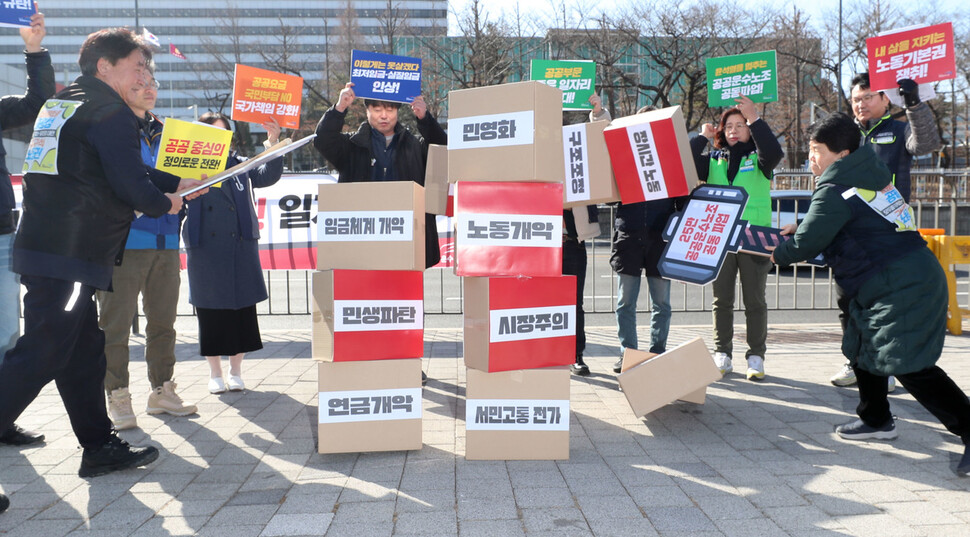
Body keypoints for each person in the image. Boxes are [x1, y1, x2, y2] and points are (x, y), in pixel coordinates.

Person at [0, 28, 205, 492]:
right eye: (137, 66)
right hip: (71, 254)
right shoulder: (110, 113)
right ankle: (97, 445)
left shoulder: (65, 103)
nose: (145, 75)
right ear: (105, 67)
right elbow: (133, 186)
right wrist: (166, 202)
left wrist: (173, 182)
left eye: (147, 68)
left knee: (83, 351)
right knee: (43, 352)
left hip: (48, 246)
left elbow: (113, 167)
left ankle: (98, 448)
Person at [769, 112, 970, 477]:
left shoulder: (834, 188)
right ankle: (876, 419)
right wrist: (802, 226)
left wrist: (776, 252)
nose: (811, 157)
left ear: (841, 153)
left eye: (817, 150)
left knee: (907, 364)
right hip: (889, 278)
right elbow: (858, 217)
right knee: (863, 346)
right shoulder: (866, 174)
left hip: (900, 283)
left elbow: (805, 245)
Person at [313, 83, 448, 383]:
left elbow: (441, 149)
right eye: (376, 108)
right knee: (367, 303)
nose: (383, 115)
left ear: (398, 111)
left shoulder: (413, 144)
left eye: (389, 108)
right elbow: (323, 140)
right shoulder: (353, 145)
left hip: (407, 241)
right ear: (368, 110)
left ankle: (407, 361)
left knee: (405, 305)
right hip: (364, 240)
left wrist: (425, 118)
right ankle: (369, 360)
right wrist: (339, 108)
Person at [96, 69, 197, 429]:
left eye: (151, 84)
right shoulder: (114, 129)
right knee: (115, 326)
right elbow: (126, 178)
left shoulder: (170, 133)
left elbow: (182, 178)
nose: (147, 90)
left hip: (167, 240)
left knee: (163, 324)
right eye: (138, 85)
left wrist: (194, 184)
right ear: (122, 89)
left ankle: (162, 390)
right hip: (125, 241)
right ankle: (118, 395)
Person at [829, 73, 941, 389]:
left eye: (867, 97)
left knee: (885, 305)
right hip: (848, 234)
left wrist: (914, 104)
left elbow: (927, 144)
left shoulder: (899, 129)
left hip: (888, 235)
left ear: (885, 99)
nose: (860, 104)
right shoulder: (846, 136)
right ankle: (855, 362)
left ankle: (886, 366)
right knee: (848, 302)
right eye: (855, 99)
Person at [183, 112, 283, 394]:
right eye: (213, 133)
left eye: (224, 133)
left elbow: (268, 175)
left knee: (242, 310)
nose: (220, 139)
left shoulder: (240, 165)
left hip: (240, 244)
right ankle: (215, 372)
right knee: (210, 312)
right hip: (205, 247)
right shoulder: (189, 166)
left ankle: (236, 370)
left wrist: (272, 143)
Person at [0, 7, 53, 513]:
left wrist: (33, 48)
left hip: (0, 235)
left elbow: (39, 103)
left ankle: (2, 418)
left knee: (7, 335)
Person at [691, 95, 783, 380]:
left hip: (754, 238)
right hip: (721, 239)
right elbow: (689, 164)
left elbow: (774, 152)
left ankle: (756, 356)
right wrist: (701, 138)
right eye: (728, 126)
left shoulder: (760, 159)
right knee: (722, 300)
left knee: (755, 299)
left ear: (748, 129)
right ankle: (723, 353)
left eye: (740, 125)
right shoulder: (715, 160)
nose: (733, 130)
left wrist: (754, 117)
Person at [593, 97, 682, 374]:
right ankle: (627, 353)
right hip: (629, 235)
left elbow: (682, 197)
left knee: (662, 303)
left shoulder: (671, 159)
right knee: (625, 303)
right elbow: (607, 195)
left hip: (660, 238)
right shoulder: (623, 156)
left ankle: (657, 353)